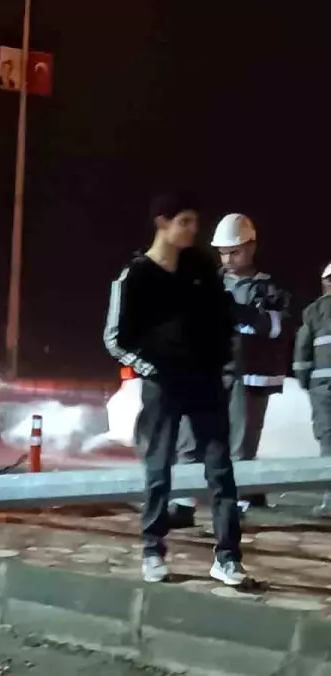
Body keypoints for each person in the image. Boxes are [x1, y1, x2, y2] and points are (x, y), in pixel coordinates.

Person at [103, 193, 245, 586]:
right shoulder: (136, 275)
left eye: (195, 223)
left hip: (206, 383)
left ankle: (228, 557)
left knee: (221, 471)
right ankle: (153, 550)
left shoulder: (200, 267)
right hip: (163, 387)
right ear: (162, 222)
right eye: (185, 222)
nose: (193, 231)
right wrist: (154, 370)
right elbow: (115, 338)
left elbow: (221, 318)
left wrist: (218, 362)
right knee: (158, 470)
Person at [169, 214, 292, 525]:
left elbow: (279, 328)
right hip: (208, 372)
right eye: (222, 252)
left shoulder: (269, 288)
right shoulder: (210, 283)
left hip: (247, 378)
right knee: (191, 437)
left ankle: (233, 507)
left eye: (233, 251)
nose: (227, 258)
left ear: (251, 247)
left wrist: (247, 315)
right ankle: (183, 504)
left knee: (239, 444)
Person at [294, 263, 331, 510]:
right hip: (322, 386)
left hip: (322, 388)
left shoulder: (314, 311)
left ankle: (330, 499)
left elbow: (302, 351)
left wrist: (304, 381)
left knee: (328, 439)